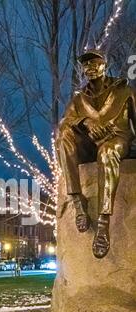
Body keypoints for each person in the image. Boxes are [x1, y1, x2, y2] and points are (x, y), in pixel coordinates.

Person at [56, 49, 136, 259]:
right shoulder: (79, 99)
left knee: (107, 152)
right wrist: (85, 121)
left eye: (95, 63)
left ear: (104, 65)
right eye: (86, 65)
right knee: (64, 134)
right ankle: (78, 204)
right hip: (89, 145)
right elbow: (64, 122)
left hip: (117, 141)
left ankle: (103, 223)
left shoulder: (125, 91)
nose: (90, 68)